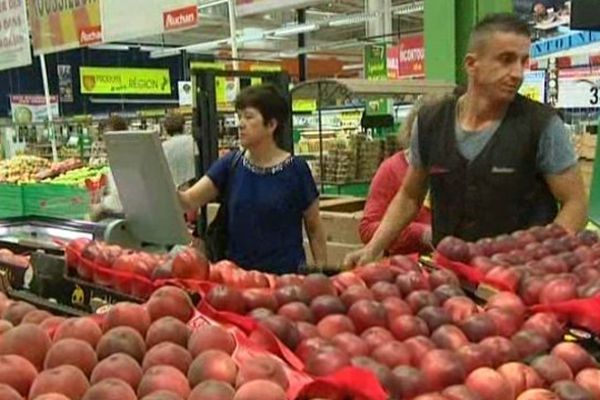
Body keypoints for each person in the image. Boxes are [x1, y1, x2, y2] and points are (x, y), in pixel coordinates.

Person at [345, 13, 587, 268]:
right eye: (506, 60)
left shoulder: (542, 125)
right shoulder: (430, 122)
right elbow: (409, 196)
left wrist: (542, 257)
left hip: (518, 281)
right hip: (449, 277)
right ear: (472, 64)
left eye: (523, 61)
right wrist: (373, 249)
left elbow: (576, 203)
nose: (517, 72)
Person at [179, 84, 327, 274]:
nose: (241, 123)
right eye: (239, 116)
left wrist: (322, 274)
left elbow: (314, 227)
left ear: (271, 125)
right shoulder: (230, 165)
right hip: (237, 282)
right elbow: (189, 200)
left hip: (286, 283)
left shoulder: (296, 170)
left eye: (248, 117)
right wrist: (153, 178)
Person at [359, 97, 436, 256]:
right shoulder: (391, 169)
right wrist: (419, 233)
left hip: (450, 267)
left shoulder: (452, 169)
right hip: (405, 269)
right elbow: (367, 229)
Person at [161, 112, 196, 188]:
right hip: (193, 187)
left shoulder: (163, 147)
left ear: (166, 129)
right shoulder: (192, 141)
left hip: (173, 189)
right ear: (183, 126)